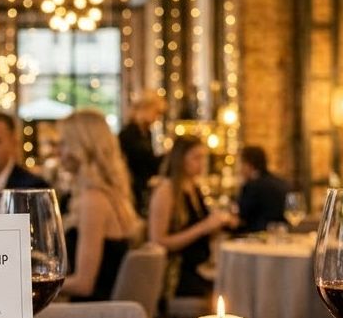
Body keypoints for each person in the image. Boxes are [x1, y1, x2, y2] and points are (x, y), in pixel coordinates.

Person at [58, 110, 140, 301]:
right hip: (101, 309)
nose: (58, 151)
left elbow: (84, 284)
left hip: (92, 312)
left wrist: (28, 287)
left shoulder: (93, 200)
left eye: (63, 143)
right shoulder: (108, 194)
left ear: (81, 148)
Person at [148, 134, 233, 297]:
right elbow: (157, 241)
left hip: (200, 266)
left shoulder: (194, 187)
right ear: (181, 159)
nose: (202, 163)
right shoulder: (166, 190)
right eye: (196, 158)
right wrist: (203, 228)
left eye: (203, 158)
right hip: (177, 272)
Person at [119, 96, 164, 213]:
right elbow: (142, 161)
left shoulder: (146, 132)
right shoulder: (129, 133)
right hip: (132, 187)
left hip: (142, 186)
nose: (157, 118)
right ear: (145, 109)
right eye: (156, 112)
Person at [235, 145, 289, 233]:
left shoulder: (251, 186)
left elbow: (241, 218)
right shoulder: (280, 182)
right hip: (281, 234)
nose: (240, 169)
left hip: (255, 237)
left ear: (249, 165)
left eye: (241, 164)